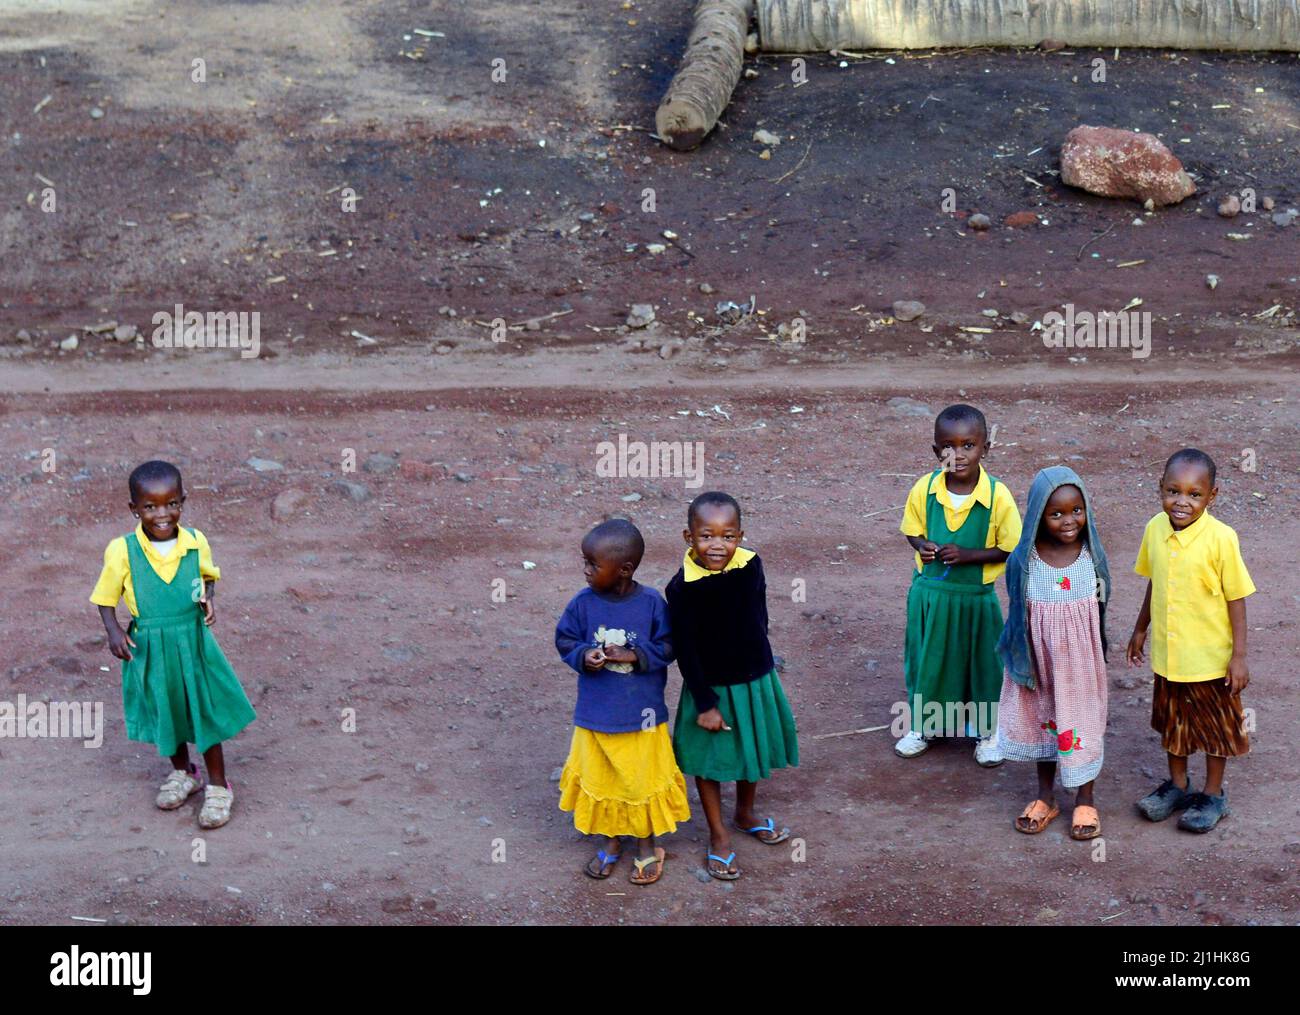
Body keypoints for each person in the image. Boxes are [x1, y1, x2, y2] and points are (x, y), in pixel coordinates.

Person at [90, 460, 256, 829]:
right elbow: (104, 596)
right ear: (134, 509)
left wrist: (208, 597)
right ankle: (185, 773)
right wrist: (114, 632)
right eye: (150, 507)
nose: (162, 514)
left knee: (203, 709)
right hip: (150, 643)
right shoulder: (122, 550)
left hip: (192, 640)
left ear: (183, 501)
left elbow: (207, 578)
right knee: (168, 709)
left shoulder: (195, 541)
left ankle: (218, 785)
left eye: (171, 504)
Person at [667, 492, 798, 881]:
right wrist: (705, 703)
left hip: (754, 679)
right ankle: (718, 835)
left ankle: (744, 813)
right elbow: (686, 652)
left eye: (727, 536)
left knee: (749, 748)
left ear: (740, 535)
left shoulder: (751, 564)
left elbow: (759, 614)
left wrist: (762, 665)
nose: (717, 545)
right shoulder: (682, 588)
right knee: (708, 761)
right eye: (706, 536)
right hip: (710, 689)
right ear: (688, 537)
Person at [555, 519, 688, 885]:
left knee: (639, 782)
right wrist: (585, 655)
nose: (585, 571)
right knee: (603, 779)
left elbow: (670, 646)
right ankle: (612, 841)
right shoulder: (582, 604)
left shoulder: (650, 604)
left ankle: (647, 846)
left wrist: (634, 654)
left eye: (593, 565)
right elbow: (565, 640)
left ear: (624, 570)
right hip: (596, 715)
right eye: (585, 562)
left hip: (641, 718)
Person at [1128, 449, 1254, 833]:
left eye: (1194, 495)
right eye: (1173, 491)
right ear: (1160, 489)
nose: (1181, 502)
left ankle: (1213, 794)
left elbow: (1237, 598)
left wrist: (1239, 657)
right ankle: (1178, 786)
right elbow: (1156, 581)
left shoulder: (1221, 539)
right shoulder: (1155, 529)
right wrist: (1140, 628)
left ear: (1211, 496)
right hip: (1170, 658)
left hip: (1210, 661)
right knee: (1175, 726)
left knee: (1217, 731)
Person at [898, 404, 1022, 764]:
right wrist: (923, 546)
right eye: (948, 447)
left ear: (986, 448)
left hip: (976, 600)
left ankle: (987, 733)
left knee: (981, 663)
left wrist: (969, 555)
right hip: (931, 597)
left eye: (969, 445)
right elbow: (912, 530)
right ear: (937, 452)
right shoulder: (925, 488)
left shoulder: (997, 495)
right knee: (930, 661)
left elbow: (1011, 548)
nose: (959, 454)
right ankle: (926, 725)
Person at [996, 467, 1111, 839]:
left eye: (1076, 510)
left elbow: (1101, 605)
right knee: (1044, 722)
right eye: (1056, 513)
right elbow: (1016, 612)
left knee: (1082, 724)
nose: (1068, 520)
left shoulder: (1090, 557)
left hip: (1078, 667)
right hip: (1038, 663)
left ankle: (1085, 798)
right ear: (1036, 516)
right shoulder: (1022, 562)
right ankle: (1046, 796)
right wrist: (1019, 660)